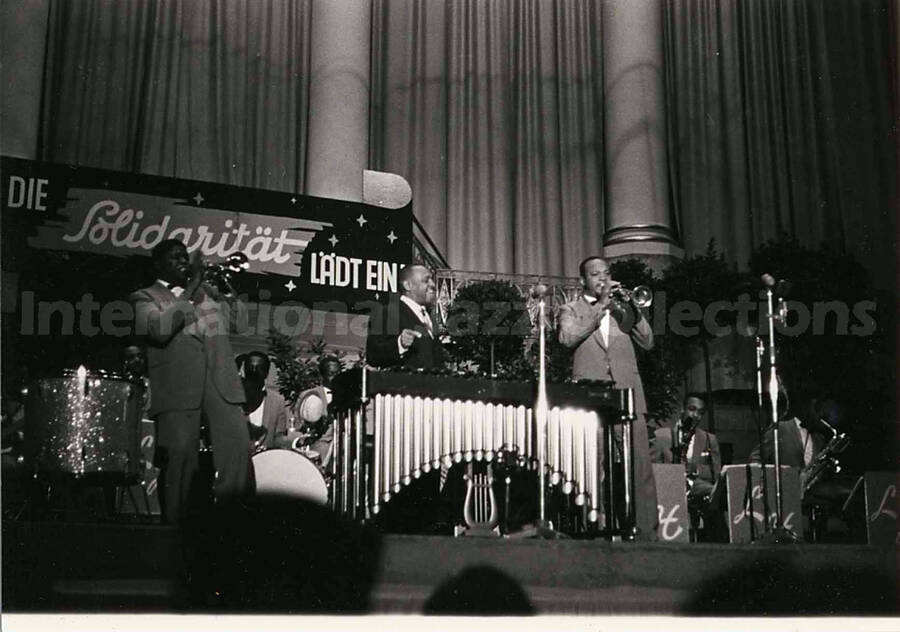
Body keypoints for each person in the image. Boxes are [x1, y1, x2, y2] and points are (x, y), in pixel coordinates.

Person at [130, 239, 253, 524]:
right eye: (175, 258)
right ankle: (174, 529)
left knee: (238, 447)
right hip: (178, 385)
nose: (183, 261)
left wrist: (226, 291)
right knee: (180, 458)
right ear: (158, 265)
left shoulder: (208, 293)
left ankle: (233, 522)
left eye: (185, 256)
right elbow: (159, 330)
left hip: (219, 379)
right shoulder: (144, 297)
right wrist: (190, 288)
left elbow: (241, 324)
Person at [557, 256, 658, 540]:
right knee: (592, 467)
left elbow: (648, 342)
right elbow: (566, 338)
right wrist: (600, 306)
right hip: (590, 397)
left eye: (606, 273)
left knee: (640, 469)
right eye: (594, 274)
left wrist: (634, 310)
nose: (602, 278)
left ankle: (648, 537)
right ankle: (596, 533)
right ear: (582, 281)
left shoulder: (625, 309)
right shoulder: (570, 309)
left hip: (629, 395)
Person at [365, 264, 447, 370]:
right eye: (426, 280)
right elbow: (373, 356)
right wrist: (400, 344)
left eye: (432, 280)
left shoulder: (429, 317)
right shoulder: (387, 312)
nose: (433, 284)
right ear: (408, 285)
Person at [651, 392, 722, 500]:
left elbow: (717, 475)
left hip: (699, 498)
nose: (695, 415)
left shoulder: (709, 439)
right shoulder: (662, 436)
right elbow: (652, 472)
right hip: (669, 497)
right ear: (682, 409)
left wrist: (696, 469)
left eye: (700, 412)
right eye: (692, 409)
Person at [236, 351, 294, 453]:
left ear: (266, 373)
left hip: (265, 461)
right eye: (250, 367)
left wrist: (294, 441)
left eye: (259, 368)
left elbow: (278, 437)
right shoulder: (235, 398)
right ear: (244, 370)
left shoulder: (277, 401)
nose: (254, 371)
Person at [293, 354, 342, 468]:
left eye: (338, 374)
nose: (335, 377)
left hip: (341, 454)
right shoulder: (309, 395)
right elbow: (298, 425)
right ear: (322, 375)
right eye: (331, 374)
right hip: (317, 453)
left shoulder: (346, 396)